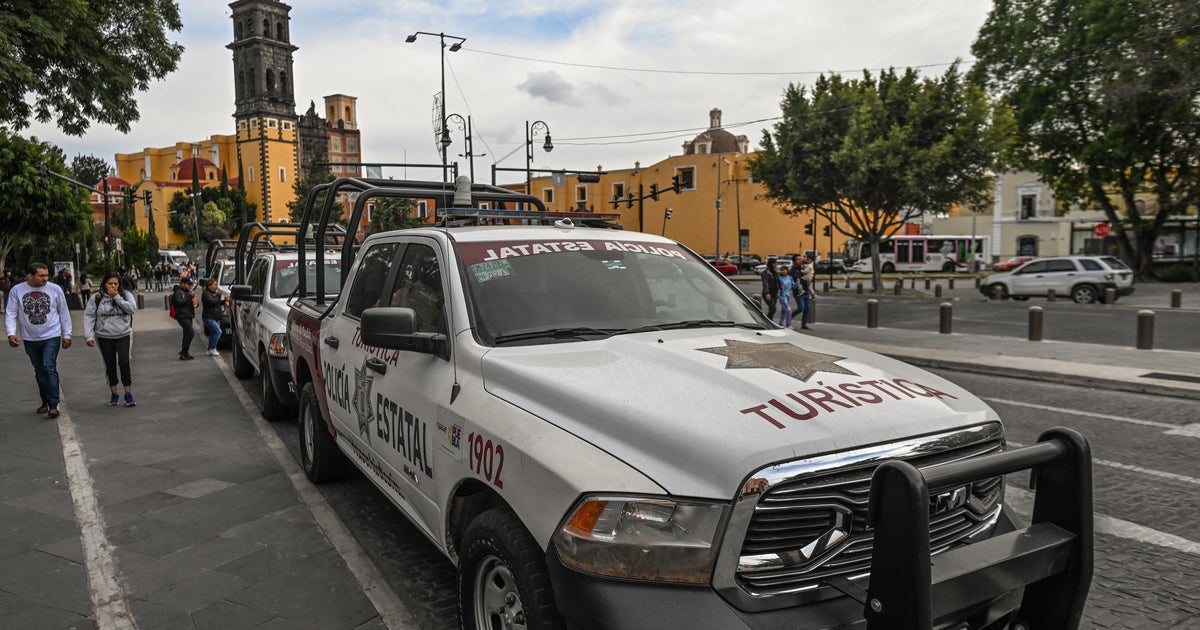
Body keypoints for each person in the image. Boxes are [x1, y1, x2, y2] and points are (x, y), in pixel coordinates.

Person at [5, 262, 72, 417]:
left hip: (52, 335)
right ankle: (45, 400)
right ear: (30, 275)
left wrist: (67, 334)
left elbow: (64, 312)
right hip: (30, 338)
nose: (45, 278)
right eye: (41, 275)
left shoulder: (55, 289)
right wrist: (11, 333)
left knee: (49, 366)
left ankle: (54, 404)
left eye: (47, 275)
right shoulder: (17, 290)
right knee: (39, 371)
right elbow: (11, 312)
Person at [83, 272, 138, 406]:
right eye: (110, 283)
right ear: (104, 284)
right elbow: (89, 316)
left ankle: (128, 393)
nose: (113, 286)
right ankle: (114, 394)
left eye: (116, 283)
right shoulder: (96, 297)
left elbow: (132, 309)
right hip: (104, 336)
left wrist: (117, 297)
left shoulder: (126, 295)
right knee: (110, 364)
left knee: (125, 362)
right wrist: (89, 335)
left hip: (123, 334)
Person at [171, 276, 198, 360]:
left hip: (188, 315)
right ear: (183, 284)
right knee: (190, 333)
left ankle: (185, 353)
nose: (190, 286)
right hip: (182, 316)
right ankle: (184, 352)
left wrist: (195, 302)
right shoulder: (178, 292)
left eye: (191, 284)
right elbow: (179, 302)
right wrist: (189, 296)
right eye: (188, 284)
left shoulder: (187, 292)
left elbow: (188, 303)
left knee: (186, 334)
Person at [200, 278, 227, 357]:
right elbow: (212, 302)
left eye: (216, 284)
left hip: (215, 316)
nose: (216, 286)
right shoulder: (206, 294)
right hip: (209, 316)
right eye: (214, 285)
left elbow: (217, 303)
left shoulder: (213, 293)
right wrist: (219, 296)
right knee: (218, 331)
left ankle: (210, 349)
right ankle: (213, 348)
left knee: (213, 333)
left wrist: (223, 301)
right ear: (209, 286)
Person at [777, 263, 795, 327]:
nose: (783, 271)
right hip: (782, 296)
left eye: (784, 270)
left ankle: (780, 323)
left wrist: (798, 283)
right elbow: (777, 287)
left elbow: (793, 286)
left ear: (787, 271)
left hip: (788, 296)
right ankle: (788, 324)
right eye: (782, 270)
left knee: (783, 311)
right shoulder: (779, 279)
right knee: (788, 310)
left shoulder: (790, 278)